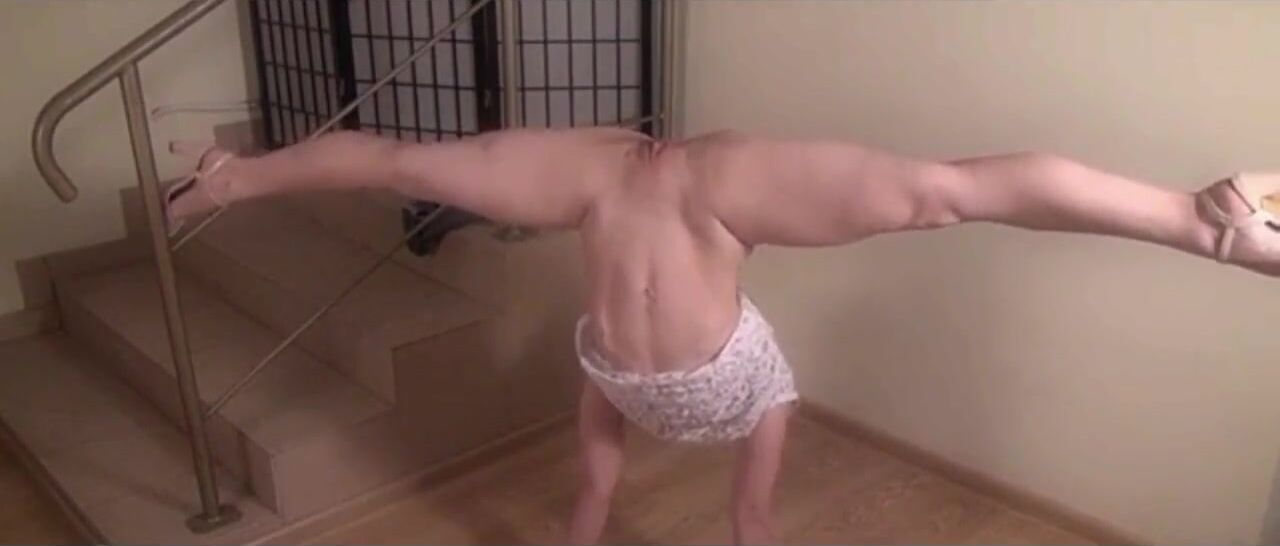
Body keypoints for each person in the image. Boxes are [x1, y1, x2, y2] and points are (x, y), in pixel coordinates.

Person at [163, 126, 1279, 544]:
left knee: (941, 193)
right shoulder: (730, 389)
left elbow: (698, 497)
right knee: (938, 192)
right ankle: (234, 176)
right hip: (642, 216)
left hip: (642, 194)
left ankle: (1197, 219)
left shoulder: (732, 390)